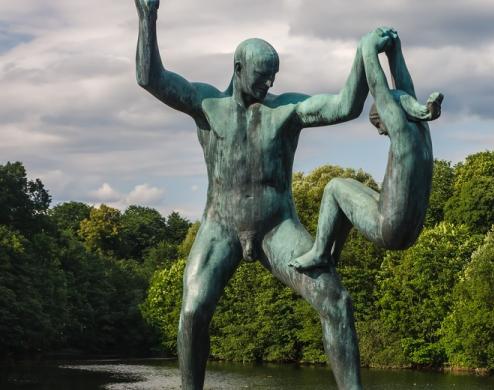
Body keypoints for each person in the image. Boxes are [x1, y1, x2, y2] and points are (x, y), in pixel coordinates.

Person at [134, 1, 388, 389]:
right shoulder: (206, 104)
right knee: (193, 310)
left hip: (276, 228)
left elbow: (345, 106)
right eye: (261, 76)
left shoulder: (286, 110)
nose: (269, 84)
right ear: (237, 70)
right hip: (220, 226)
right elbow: (151, 79)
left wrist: (364, 53)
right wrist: (147, 17)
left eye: (273, 76)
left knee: (336, 301)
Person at [290, 29, 443, 271]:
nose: (382, 132)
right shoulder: (421, 130)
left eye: (379, 124)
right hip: (410, 229)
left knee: (333, 188)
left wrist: (367, 50)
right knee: (349, 186)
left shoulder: (402, 135)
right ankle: (333, 255)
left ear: (389, 117)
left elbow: (379, 90)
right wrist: (395, 51)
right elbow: (404, 91)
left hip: (389, 229)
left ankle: (320, 253)